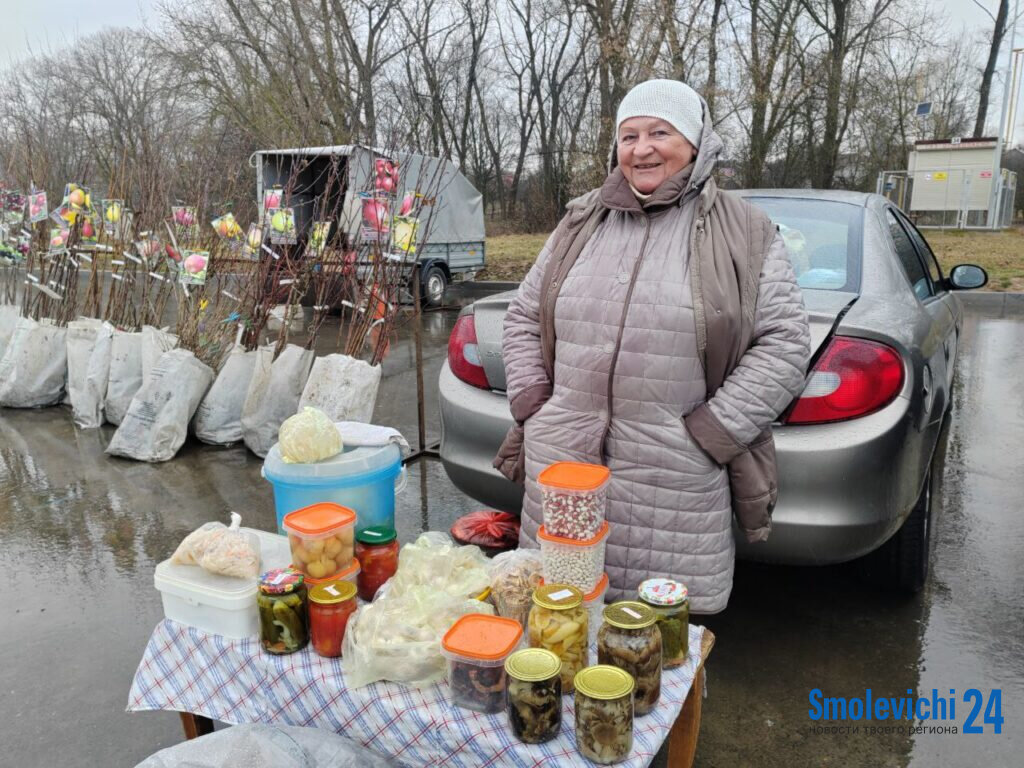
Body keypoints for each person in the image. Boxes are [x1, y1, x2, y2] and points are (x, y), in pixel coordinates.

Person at [494, 79, 812, 613]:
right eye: (629, 135)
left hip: (677, 476)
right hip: (565, 463)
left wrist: (713, 432)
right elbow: (525, 314)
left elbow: (783, 344)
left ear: (695, 141)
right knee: (561, 624)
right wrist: (535, 405)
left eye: (659, 132)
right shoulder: (581, 220)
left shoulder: (744, 231)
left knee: (656, 648)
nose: (641, 149)